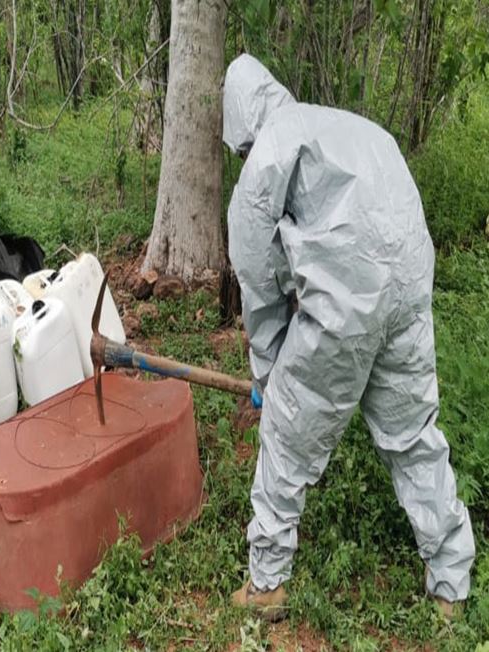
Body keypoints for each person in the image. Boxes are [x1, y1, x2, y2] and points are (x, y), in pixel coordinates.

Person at [222, 53, 474, 621]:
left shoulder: (269, 149)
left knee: (285, 434)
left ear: (241, 120)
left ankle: (267, 585)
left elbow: (258, 276)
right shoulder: (349, 128)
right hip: (408, 294)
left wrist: (269, 371)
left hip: (345, 306)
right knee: (414, 434)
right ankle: (451, 585)